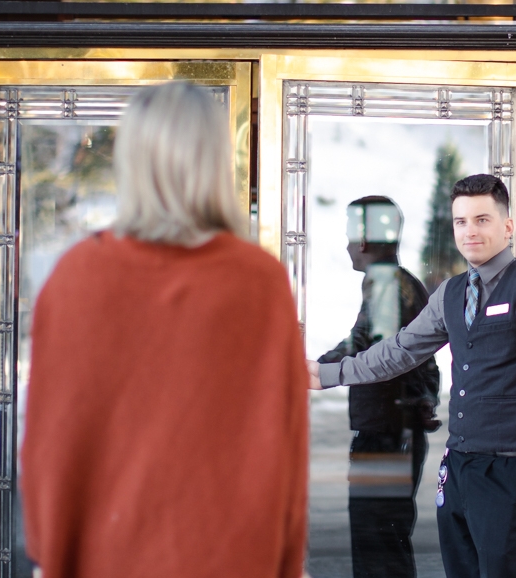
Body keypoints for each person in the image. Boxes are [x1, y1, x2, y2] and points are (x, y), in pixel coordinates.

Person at [20, 81, 309, 578]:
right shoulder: (259, 282)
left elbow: (49, 442)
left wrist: (51, 554)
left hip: (105, 558)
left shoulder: (77, 278)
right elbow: (285, 441)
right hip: (233, 558)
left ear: (131, 160)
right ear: (216, 160)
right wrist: (285, 561)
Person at [307, 174, 516, 578]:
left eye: (482, 219)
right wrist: (329, 373)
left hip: (512, 467)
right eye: (461, 221)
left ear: (507, 227)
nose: (470, 231)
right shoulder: (451, 293)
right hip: (458, 463)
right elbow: (401, 350)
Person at [317, 196, 441, 578]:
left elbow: (375, 350)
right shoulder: (398, 282)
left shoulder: (387, 281)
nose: (347, 245)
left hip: (389, 433)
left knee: (379, 543)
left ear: (365, 241)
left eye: (350, 236)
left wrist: (308, 369)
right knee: (385, 538)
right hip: (396, 429)